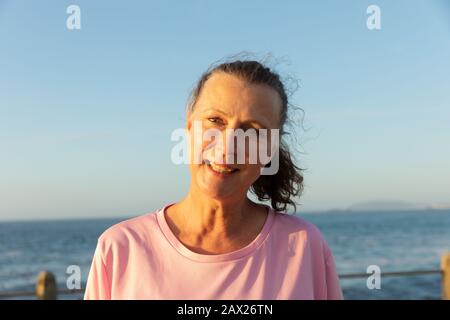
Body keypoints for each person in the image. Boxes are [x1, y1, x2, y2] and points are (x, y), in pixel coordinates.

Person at [84, 59, 343, 300]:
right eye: (215, 121)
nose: (227, 146)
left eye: (252, 131)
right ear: (189, 127)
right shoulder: (120, 249)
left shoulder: (304, 246)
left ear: (270, 149)